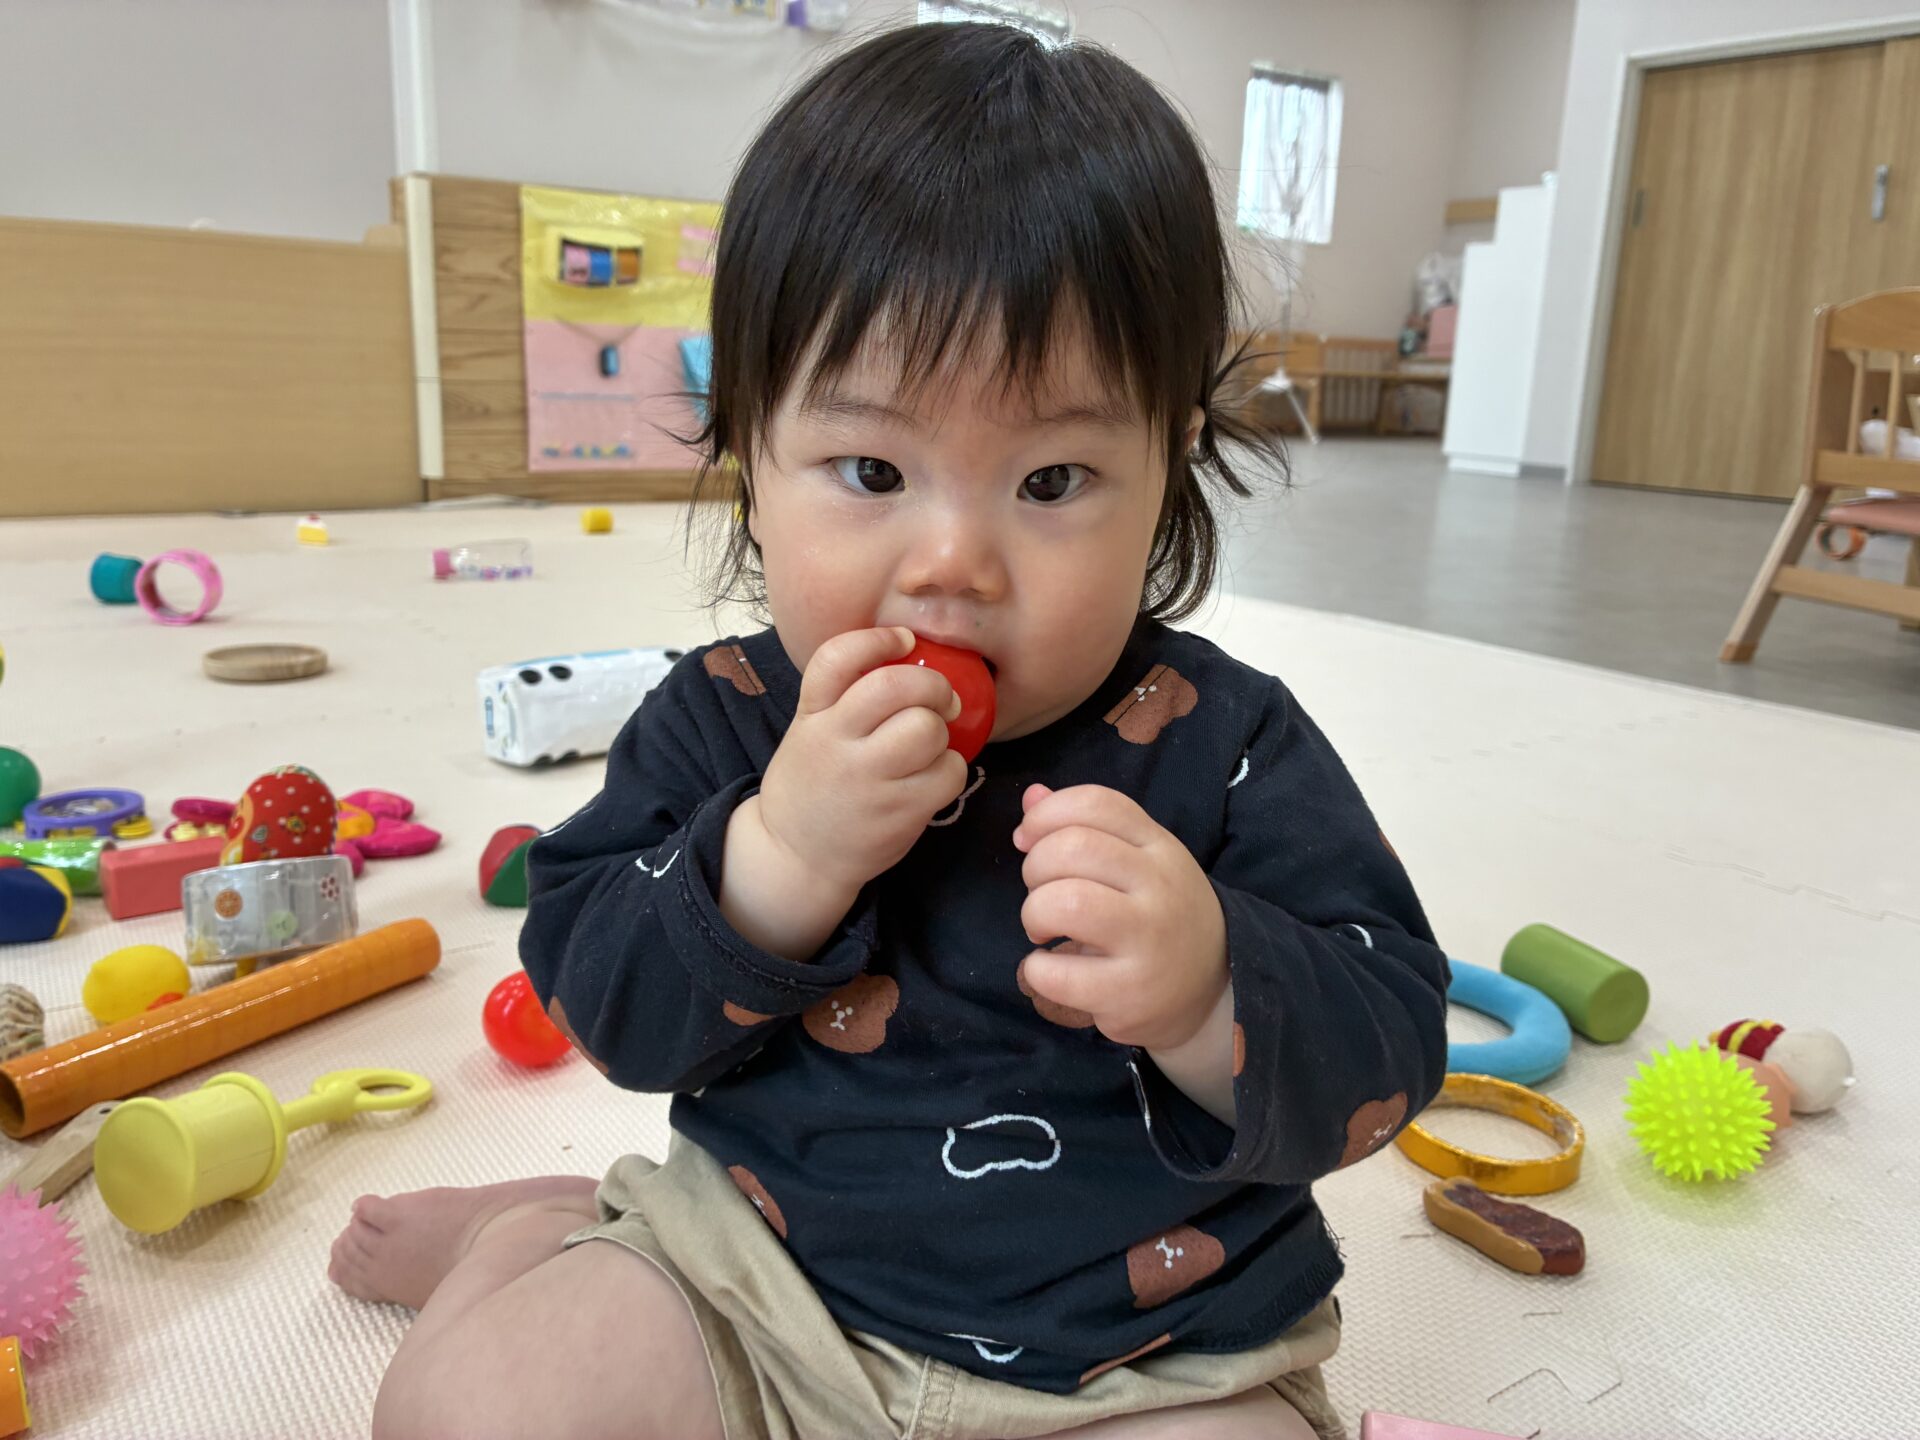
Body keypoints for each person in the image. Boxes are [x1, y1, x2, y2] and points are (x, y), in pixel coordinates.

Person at [330, 21, 1449, 1440]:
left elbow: (1390, 1048)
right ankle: (542, 1236)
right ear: (750, 462)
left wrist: (1211, 990)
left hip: (1141, 1359)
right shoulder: (728, 719)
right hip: (750, 1285)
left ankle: (568, 1227)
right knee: (470, 1415)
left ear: (1169, 474)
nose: (953, 565)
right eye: (870, 469)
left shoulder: (1223, 742)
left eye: (1053, 480)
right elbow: (604, 1003)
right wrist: (777, 859)